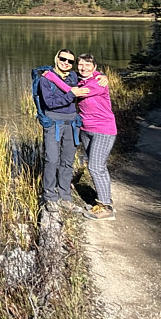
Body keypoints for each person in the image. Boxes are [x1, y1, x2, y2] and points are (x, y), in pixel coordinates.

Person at [42, 53, 117, 220]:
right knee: (98, 166)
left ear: (94, 67)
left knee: (95, 167)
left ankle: (106, 207)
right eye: (81, 65)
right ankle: (103, 202)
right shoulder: (82, 79)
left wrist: (52, 78)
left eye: (88, 66)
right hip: (86, 129)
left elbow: (73, 92)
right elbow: (73, 87)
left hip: (103, 129)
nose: (83, 68)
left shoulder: (97, 82)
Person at [37, 49, 82, 213]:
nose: (66, 63)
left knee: (67, 161)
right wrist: (72, 94)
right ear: (56, 58)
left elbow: (89, 74)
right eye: (63, 59)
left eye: (70, 61)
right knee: (52, 159)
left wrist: (102, 76)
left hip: (72, 123)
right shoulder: (46, 78)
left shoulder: (73, 77)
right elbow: (49, 103)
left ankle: (65, 196)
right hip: (53, 123)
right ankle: (49, 196)